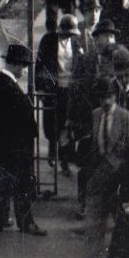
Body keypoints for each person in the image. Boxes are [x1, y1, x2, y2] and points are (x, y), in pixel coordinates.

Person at [71, 77, 129, 258]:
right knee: (93, 228)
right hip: (99, 180)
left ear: (115, 97)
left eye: (109, 97)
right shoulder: (95, 115)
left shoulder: (127, 118)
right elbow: (94, 147)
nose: (106, 101)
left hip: (120, 183)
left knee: (125, 231)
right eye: (102, 98)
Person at [0, 43, 45, 236]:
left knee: (4, 182)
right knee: (22, 185)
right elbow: (12, 117)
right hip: (16, 145)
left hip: (7, 144)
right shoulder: (6, 85)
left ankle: (1, 219)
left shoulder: (1, 83)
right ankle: (26, 222)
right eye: (23, 65)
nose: (25, 69)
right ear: (15, 64)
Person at [37, 13, 83, 176]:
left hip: (69, 90)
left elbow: (79, 66)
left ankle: (65, 161)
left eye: (72, 34)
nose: (69, 36)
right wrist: (40, 87)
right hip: (52, 89)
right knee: (52, 123)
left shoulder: (76, 44)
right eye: (67, 33)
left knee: (67, 124)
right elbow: (39, 64)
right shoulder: (48, 41)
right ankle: (52, 151)